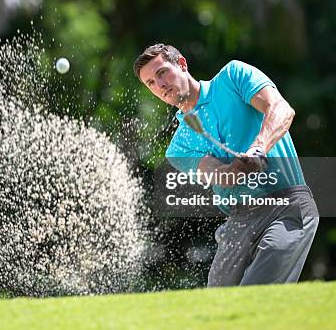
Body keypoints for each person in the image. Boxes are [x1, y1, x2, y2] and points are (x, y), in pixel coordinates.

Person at [134, 43, 319, 287]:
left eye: (161, 73)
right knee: (220, 303)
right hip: (239, 220)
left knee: (258, 293)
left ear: (181, 64)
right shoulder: (178, 147)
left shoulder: (233, 76)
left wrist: (258, 148)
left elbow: (281, 109)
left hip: (287, 205)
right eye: (151, 83)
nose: (160, 85)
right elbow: (218, 175)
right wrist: (234, 170)